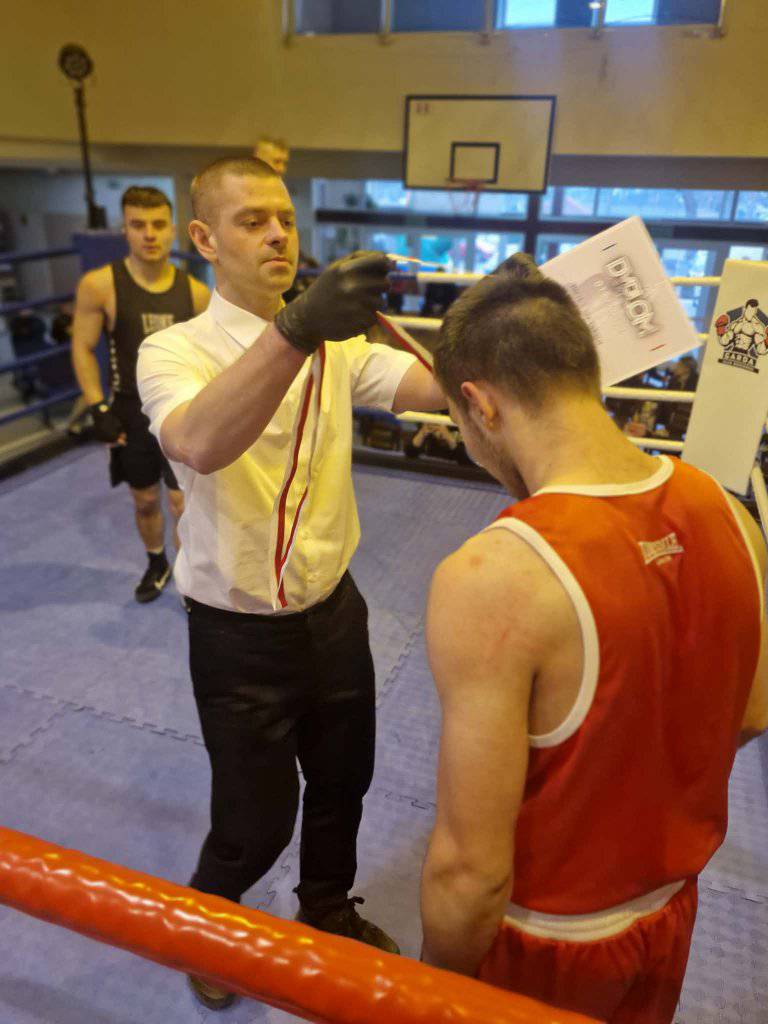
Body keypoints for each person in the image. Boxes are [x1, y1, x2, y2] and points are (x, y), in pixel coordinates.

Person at [419, 257, 768, 1023]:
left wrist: (429, 995)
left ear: (480, 405)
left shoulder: (493, 574)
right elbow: (750, 714)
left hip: (546, 943)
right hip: (669, 916)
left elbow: (471, 874)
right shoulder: (733, 515)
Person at [136, 156, 446, 1010]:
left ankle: (327, 908)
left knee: (344, 784)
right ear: (204, 240)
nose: (278, 234)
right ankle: (206, 929)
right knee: (254, 823)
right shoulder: (173, 351)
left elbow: (433, 384)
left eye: (285, 218)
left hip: (335, 615)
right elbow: (197, 443)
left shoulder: (337, 349)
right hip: (237, 636)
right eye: (252, 221)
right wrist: (297, 328)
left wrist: (495, 322)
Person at [71, 186, 210, 603]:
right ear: (125, 230)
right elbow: (82, 347)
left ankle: (188, 578)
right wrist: (97, 406)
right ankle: (156, 563)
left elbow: (207, 359)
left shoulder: (196, 293)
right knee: (146, 500)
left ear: (173, 230)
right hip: (130, 412)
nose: (149, 234)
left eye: (158, 224)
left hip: (180, 413)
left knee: (183, 505)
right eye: (138, 225)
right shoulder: (100, 285)